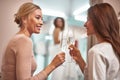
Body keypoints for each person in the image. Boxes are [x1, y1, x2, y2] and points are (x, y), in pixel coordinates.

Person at [1, 2, 65, 80]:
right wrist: (52, 65)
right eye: (37, 18)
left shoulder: (18, 38)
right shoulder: (24, 40)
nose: (41, 22)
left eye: (42, 19)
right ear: (24, 19)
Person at [69, 3, 120, 80]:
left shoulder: (96, 51)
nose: (85, 24)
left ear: (99, 21)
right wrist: (79, 59)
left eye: (88, 19)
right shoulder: (115, 47)